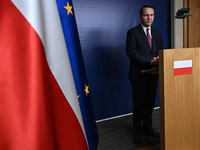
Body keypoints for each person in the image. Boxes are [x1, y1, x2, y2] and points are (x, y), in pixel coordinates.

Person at [126, 4, 165, 146]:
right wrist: (150, 62)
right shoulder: (132, 32)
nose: (149, 18)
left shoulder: (157, 33)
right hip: (138, 76)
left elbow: (162, 49)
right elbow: (131, 52)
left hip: (153, 75)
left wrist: (160, 59)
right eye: (146, 15)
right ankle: (138, 132)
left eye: (152, 15)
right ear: (140, 16)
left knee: (149, 106)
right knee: (139, 106)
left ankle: (148, 129)